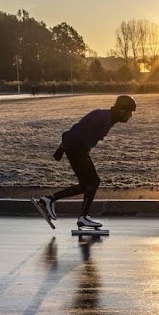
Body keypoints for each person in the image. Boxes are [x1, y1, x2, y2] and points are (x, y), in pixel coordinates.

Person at [33, 95, 137, 230]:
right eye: (129, 112)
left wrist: (63, 148)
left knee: (86, 185)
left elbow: (77, 130)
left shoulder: (108, 118)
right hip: (77, 149)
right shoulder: (102, 117)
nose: (130, 116)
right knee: (93, 182)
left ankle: (49, 200)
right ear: (121, 109)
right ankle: (82, 216)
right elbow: (75, 130)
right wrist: (62, 148)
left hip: (78, 149)